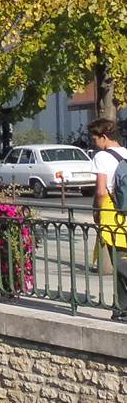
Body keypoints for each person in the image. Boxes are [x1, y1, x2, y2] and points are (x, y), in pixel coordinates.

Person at [88, 117, 127, 322]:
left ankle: (122, 308)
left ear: (104, 137)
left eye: (95, 138)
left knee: (120, 261)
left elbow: (101, 191)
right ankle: (120, 308)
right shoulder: (126, 153)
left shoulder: (101, 157)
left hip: (112, 211)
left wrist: (96, 211)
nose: (94, 143)